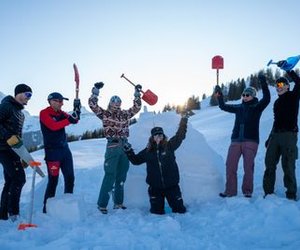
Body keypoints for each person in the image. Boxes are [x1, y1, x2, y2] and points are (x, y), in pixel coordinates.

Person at [88, 82, 142, 214]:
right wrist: (95, 92)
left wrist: (137, 95)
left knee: (121, 176)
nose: (117, 103)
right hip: (112, 145)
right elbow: (93, 105)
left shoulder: (124, 114)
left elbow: (136, 108)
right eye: (114, 101)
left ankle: (118, 203)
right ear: (110, 103)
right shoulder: (105, 114)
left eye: (119, 101)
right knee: (110, 175)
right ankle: (102, 205)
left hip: (124, 146)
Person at [215, 74, 270, 198]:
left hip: (250, 141)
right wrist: (219, 96)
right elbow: (223, 106)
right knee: (230, 165)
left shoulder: (257, 107)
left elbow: (267, 98)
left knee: (248, 167)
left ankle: (247, 191)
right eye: (243, 95)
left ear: (253, 96)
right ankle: (230, 191)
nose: (245, 97)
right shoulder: (239, 107)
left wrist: (263, 81)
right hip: (235, 141)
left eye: (247, 95)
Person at [124, 114, 189, 215]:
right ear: (152, 137)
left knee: (180, 210)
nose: (159, 136)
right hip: (155, 188)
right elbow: (136, 161)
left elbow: (180, 135)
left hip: (172, 186)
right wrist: (129, 151)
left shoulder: (170, 146)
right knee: (156, 213)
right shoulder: (148, 151)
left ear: (163, 136)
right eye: (156, 134)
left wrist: (183, 121)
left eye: (161, 134)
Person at [263, 64, 300, 200]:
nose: (278, 86)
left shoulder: (293, 96)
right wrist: (269, 137)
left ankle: (291, 194)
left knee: (288, 164)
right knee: (269, 163)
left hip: (289, 135)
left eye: (281, 84)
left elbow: (299, 82)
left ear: (287, 86)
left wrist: (288, 69)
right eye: (277, 85)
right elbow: (276, 121)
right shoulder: (276, 103)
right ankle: (268, 193)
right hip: (276, 136)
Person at [40, 92, 81, 213]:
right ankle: (46, 209)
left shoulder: (61, 113)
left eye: (62, 101)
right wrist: (69, 120)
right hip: (53, 153)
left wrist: (77, 109)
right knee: (53, 180)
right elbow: (53, 126)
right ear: (52, 101)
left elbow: (74, 120)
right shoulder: (44, 113)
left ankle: (68, 206)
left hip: (65, 150)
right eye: (60, 101)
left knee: (70, 177)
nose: (62, 103)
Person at [0, 84, 33, 221]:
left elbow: (18, 136)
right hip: (3, 148)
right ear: (19, 93)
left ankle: (3, 214)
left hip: (13, 150)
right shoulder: (6, 105)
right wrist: (7, 136)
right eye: (28, 95)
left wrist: (23, 155)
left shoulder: (20, 113)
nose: (29, 99)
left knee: (10, 180)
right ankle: (14, 213)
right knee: (19, 178)